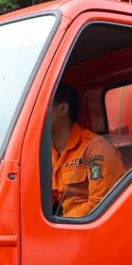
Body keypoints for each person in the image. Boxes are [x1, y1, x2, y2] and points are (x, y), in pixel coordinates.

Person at [50, 84, 123, 217]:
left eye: (43, 107)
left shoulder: (96, 148)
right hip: (68, 225)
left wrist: (56, 228)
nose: (36, 114)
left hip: (90, 229)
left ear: (62, 109)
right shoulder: (49, 153)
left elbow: (100, 205)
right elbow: (51, 196)